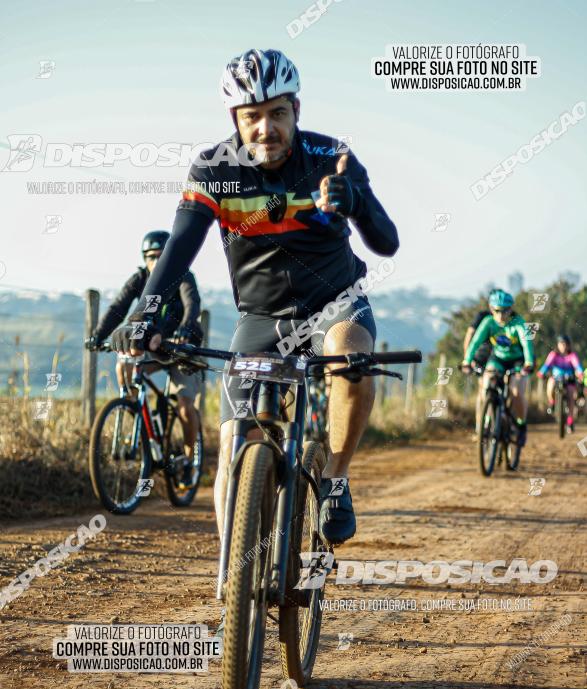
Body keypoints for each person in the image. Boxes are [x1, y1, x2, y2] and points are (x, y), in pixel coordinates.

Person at [111, 48, 399, 545]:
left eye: (277, 114)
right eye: (253, 117)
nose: (267, 128)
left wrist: (357, 204)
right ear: (235, 121)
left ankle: (335, 476)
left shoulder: (332, 159)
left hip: (335, 305)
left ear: (296, 112)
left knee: (351, 354)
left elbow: (386, 241)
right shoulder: (213, 169)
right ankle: (233, 581)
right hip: (260, 317)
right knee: (233, 443)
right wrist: (147, 315)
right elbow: (180, 246)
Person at [90, 230, 204, 487]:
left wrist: (186, 330)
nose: (155, 262)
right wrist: (98, 335)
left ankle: (188, 462)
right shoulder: (139, 279)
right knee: (124, 365)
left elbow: (191, 304)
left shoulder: (184, 276)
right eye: (150, 257)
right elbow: (118, 308)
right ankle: (134, 409)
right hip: (152, 350)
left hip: (181, 350)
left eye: (160, 256)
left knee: (185, 405)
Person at [462, 288, 535, 447]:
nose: (501, 315)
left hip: (518, 360)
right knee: (486, 384)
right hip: (498, 358)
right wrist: (467, 361)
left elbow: (527, 344)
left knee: (516, 392)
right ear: (491, 309)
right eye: (497, 311)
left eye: (505, 311)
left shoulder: (519, 323)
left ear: (511, 309)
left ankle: (521, 426)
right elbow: (474, 342)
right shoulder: (488, 322)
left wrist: (528, 363)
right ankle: (486, 423)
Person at [537, 334, 584, 432]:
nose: (563, 346)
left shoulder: (572, 356)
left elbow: (578, 366)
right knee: (551, 383)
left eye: (565, 344)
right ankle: (552, 402)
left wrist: (580, 374)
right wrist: (541, 372)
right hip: (556, 378)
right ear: (558, 345)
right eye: (561, 344)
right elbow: (547, 365)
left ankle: (570, 421)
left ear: (569, 345)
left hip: (569, 379)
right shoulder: (553, 354)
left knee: (571, 394)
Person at [463, 302, 491, 436]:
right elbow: (470, 335)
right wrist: (467, 359)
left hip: (503, 358)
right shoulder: (482, 317)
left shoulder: (511, 318)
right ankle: (480, 428)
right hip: (482, 357)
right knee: (483, 391)